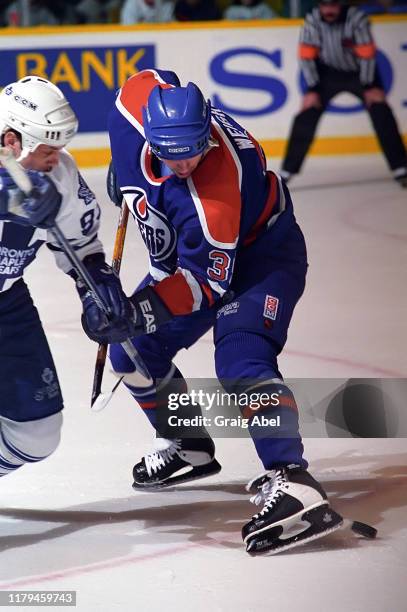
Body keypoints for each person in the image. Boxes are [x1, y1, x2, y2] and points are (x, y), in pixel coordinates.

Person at [106, 67, 344, 555]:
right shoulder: (133, 104)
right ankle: (189, 446)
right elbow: (157, 76)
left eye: (193, 150)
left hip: (259, 257)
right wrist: (125, 176)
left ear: (207, 132)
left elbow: (205, 285)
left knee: (240, 358)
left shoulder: (213, 193)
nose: (184, 161)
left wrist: (138, 309)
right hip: (194, 260)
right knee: (131, 354)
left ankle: (293, 480)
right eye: (171, 154)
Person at [0, 76, 135, 481]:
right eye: (47, 150)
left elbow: (80, 245)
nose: (55, 160)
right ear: (11, 140)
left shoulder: (58, 177)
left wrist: (97, 290)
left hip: (6, 300)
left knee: (37, 433)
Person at [280, 0, 407, 188]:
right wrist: (313, 89)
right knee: (306, 114)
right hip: (327, 74)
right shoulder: (312, 20)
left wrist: (370, 85)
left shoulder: (357, 19)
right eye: (324, 5)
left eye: (333, 5)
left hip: (360, 73)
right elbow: (307, 56)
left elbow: (367, 55)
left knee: (381, 111)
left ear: (341, 5)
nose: (329, 10)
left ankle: (401, 168)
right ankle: (286, 172)